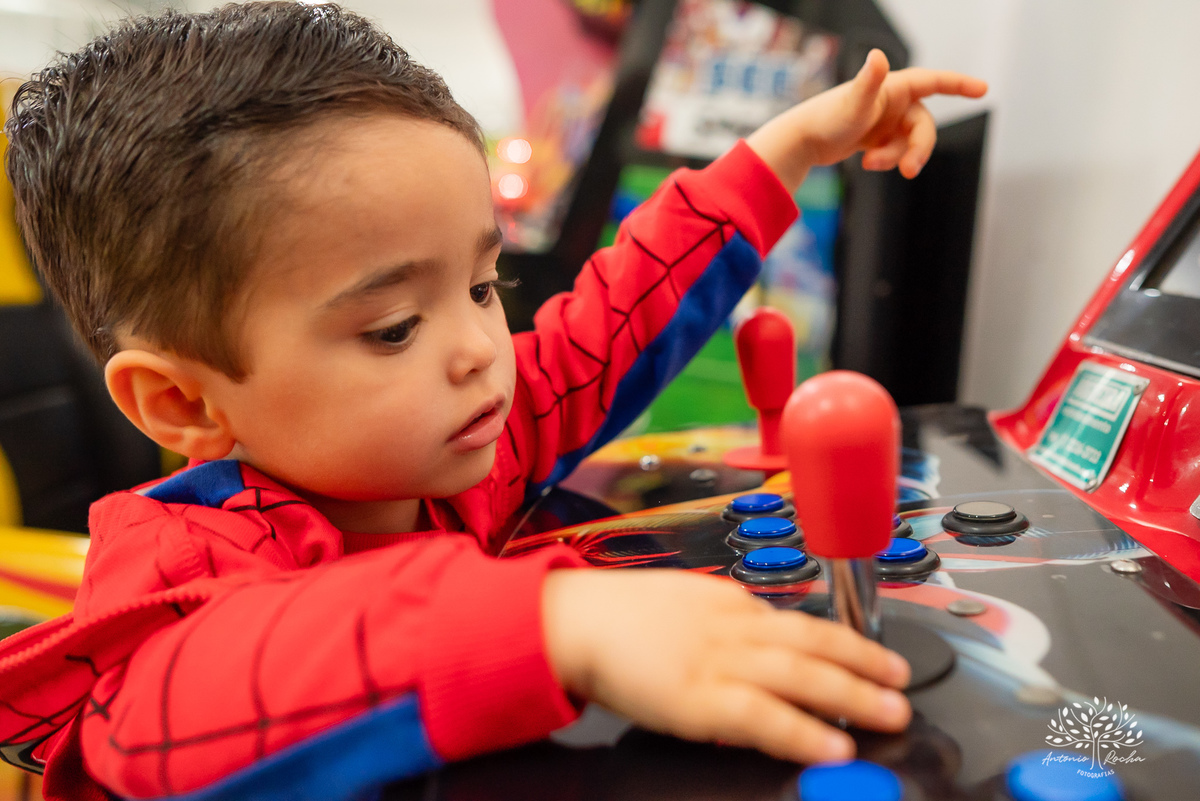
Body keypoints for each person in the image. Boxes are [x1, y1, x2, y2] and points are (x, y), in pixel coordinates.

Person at [0, 3, 987, 799]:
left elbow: (599, 332)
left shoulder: (437, 444)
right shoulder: (174, 568)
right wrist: (555, 625)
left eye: (482, 287)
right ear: (181, 403)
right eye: (393, 328)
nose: (481, 350)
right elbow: (177, 692)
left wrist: (780, 157)